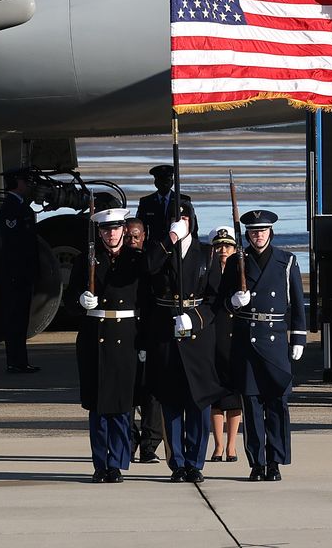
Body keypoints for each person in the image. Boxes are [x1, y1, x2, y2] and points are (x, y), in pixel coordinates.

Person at [142, 196, 226, 485]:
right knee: (171, 402)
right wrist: (170, 239)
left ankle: (195, 462)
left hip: (197, 334)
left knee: (199, 403)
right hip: (165, 332)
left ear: (193, 221)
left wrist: (196, 318)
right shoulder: (160, 249)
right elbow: (148, 268)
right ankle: (176, 462)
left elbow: (216, 298)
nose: (180, 223)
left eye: (185, 219)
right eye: (175, 219)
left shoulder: (208, 254)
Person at [222, 209, 306, 482]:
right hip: (247, 341)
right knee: (252, 404)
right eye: (253, 231)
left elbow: (296, 303)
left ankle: (275, 461)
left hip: (276, 340)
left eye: (262, 230)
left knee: (277, 403)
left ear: (271, 232)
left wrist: (299, 338)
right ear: (246, 234)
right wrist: (234, 301)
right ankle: (257, 462)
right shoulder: (237, 261)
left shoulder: (287, 261)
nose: (258, 235)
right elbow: (220, 301)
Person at [68, 204, 145, 483]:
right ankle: (100, 464)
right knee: (99, 408)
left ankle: (118, 462)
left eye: (115, 229)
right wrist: (80, 300)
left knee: (122, 407)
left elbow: (146, 300)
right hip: (95, 339)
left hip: (127, 337)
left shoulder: (137, 260)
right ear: (99, 233)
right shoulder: (86, 260)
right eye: (105, 230)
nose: (111, 234)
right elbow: (68, 302)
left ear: (124, 230)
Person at [125, 215, 163, 464]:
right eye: (127, 236)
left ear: (144, 236)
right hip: (125, 333)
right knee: (126, 392)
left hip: (150, 332)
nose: (131, 241)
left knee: (153, 394)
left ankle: (150, 445)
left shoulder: (153, 263)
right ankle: (129, 441)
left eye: (135, 237)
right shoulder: (117, 261)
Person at [206, 227, 244, 463]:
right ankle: (218, 445)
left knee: (233, 395)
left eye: (227, 246)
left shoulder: (240, 270)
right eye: (219, 246)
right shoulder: (207, 270)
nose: (223, 251)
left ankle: (232, 445)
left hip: (235, 336)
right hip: (212, 334)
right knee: (215, 394)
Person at [0, 169, 41, 374]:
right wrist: (19, 272)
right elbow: (14, 243)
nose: (29, 185)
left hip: (23, 272)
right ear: (17, 183)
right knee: (15, 318)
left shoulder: (22, 206)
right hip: (16, 273)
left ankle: (20, 360)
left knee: (21, 319)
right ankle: (14, 361)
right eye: (26, 181)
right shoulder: (11, 207)